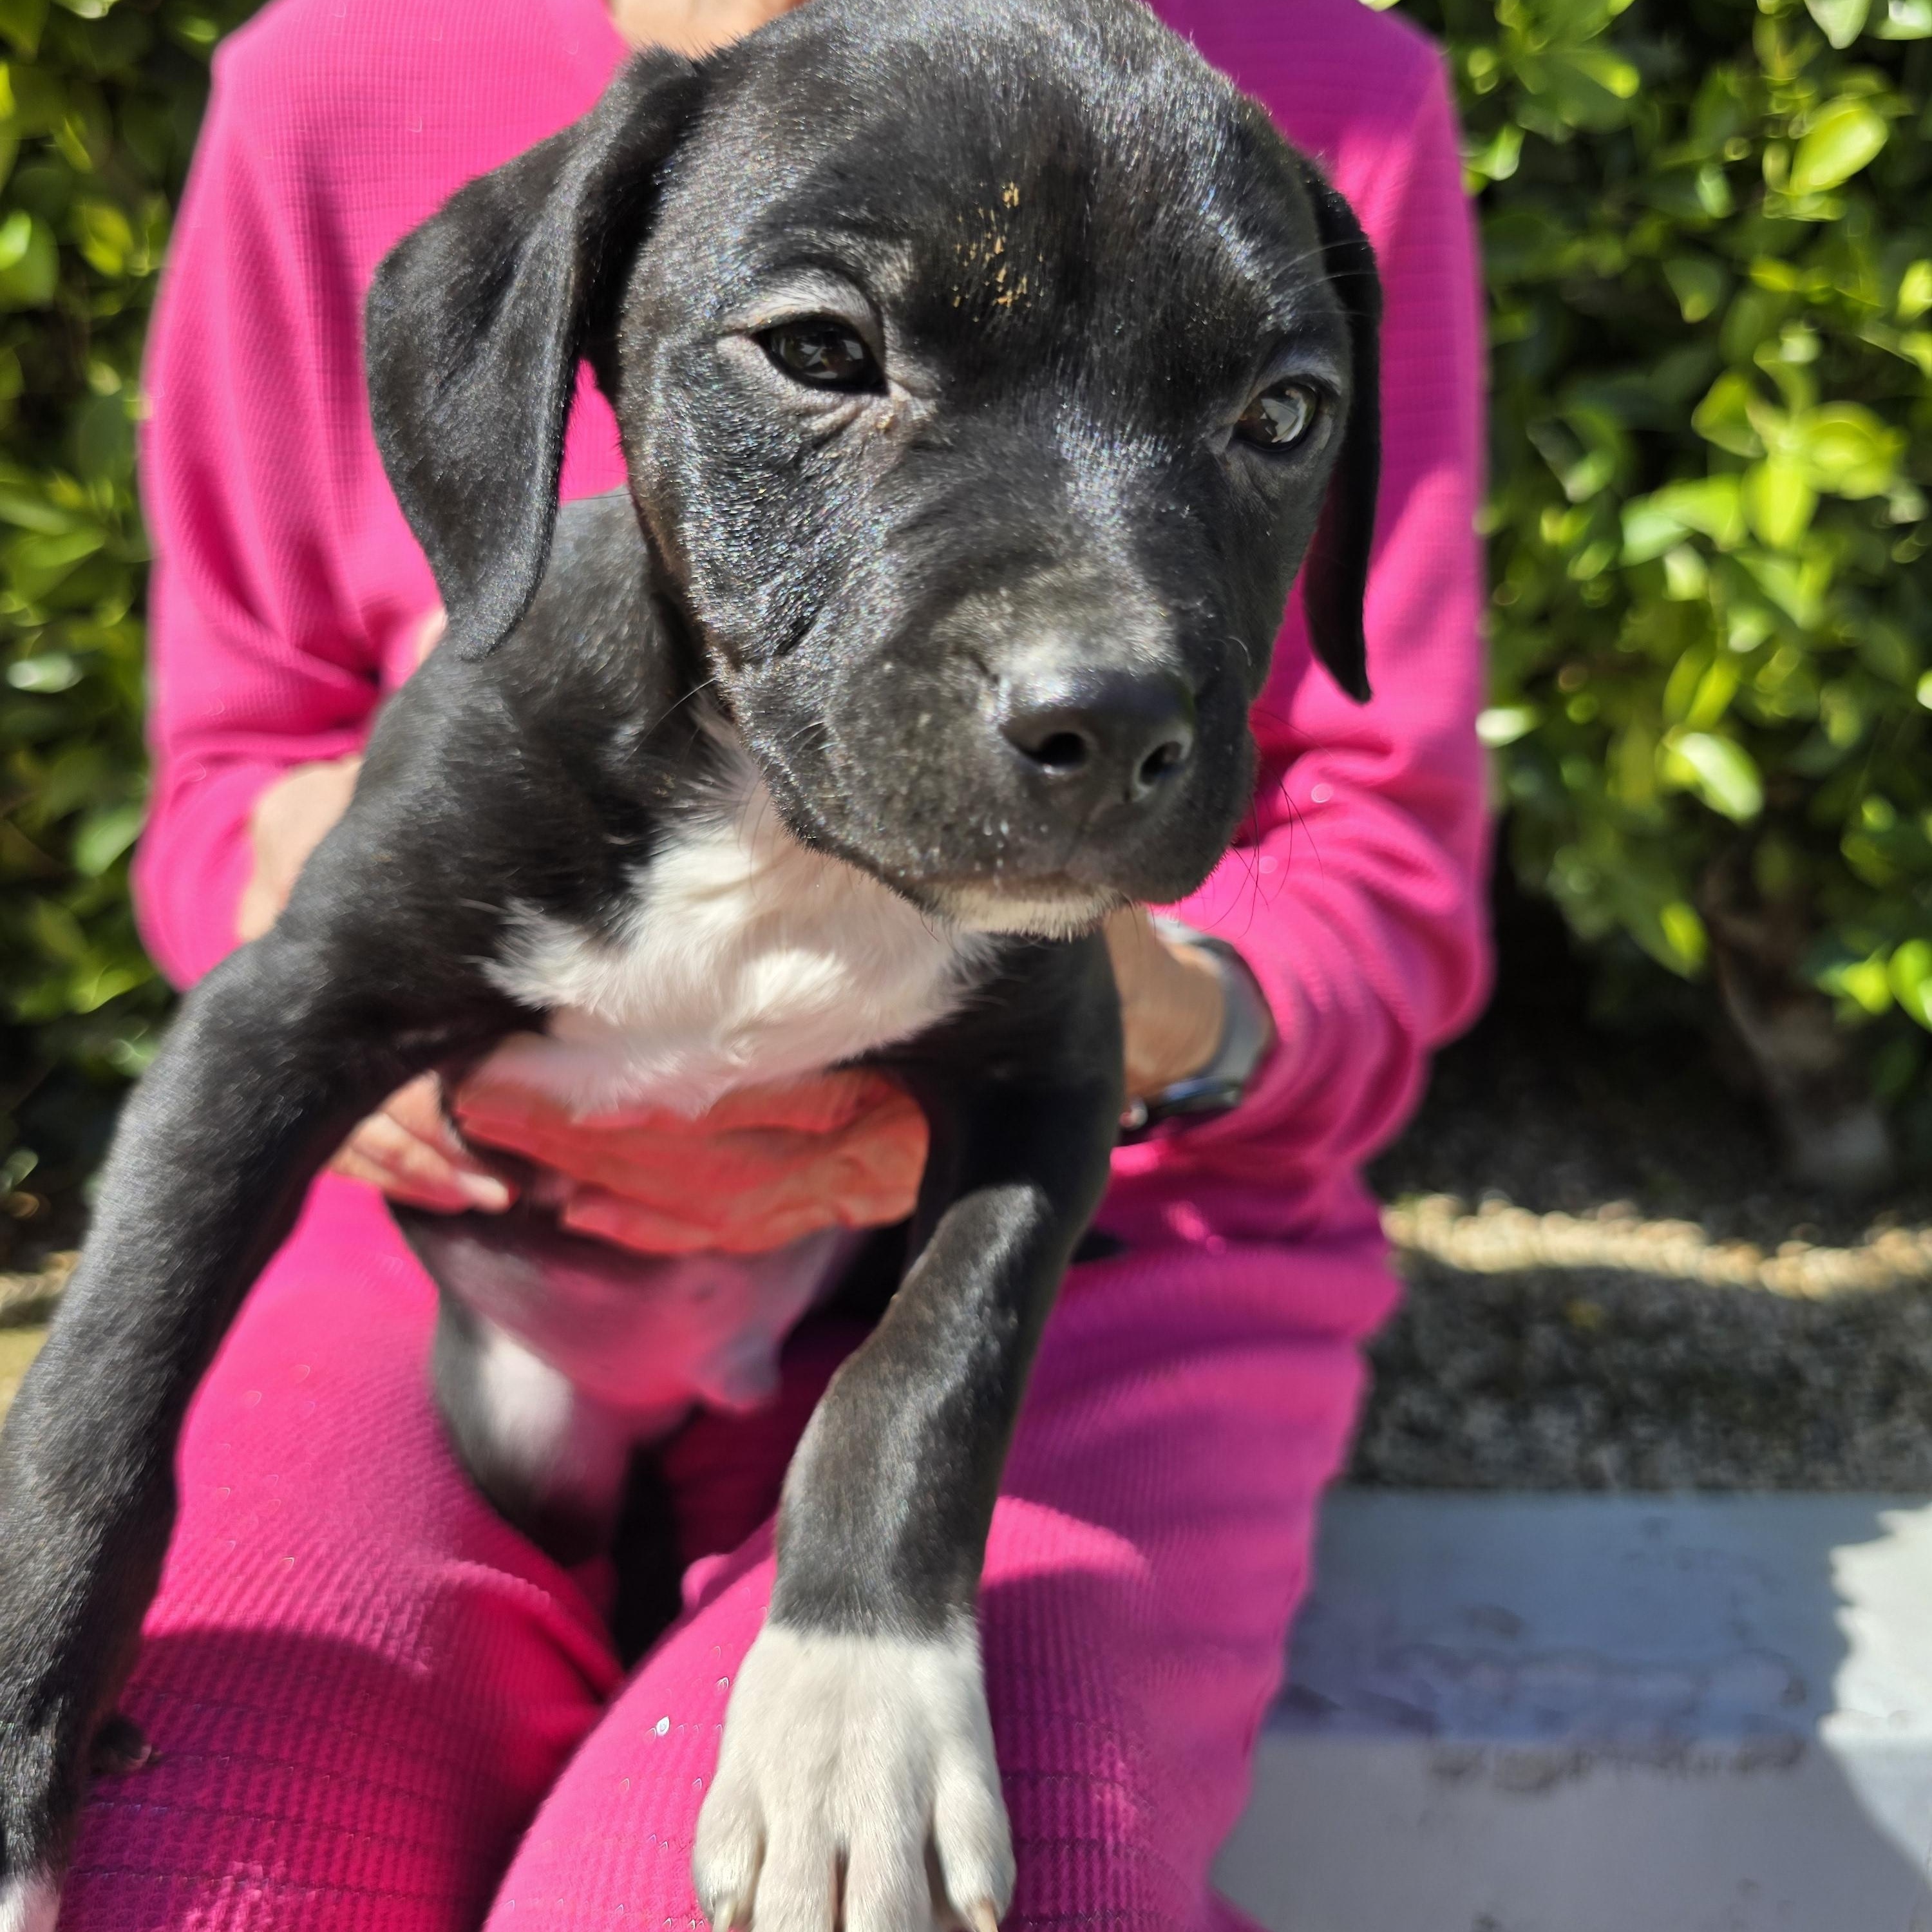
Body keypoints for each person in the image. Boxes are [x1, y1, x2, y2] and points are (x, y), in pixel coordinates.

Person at [74, 0, 1488, 1921]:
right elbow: (227, 786)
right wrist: (368, 941)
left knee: (904, 1890)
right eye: (826, 356)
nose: (1090, 629)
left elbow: (1384, 856)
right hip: (463, 1220)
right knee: (176, 1855)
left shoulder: (1325, 102)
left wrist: (1166, 1017)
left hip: (1079, 1242)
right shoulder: (335, 77)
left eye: (1268, 418)